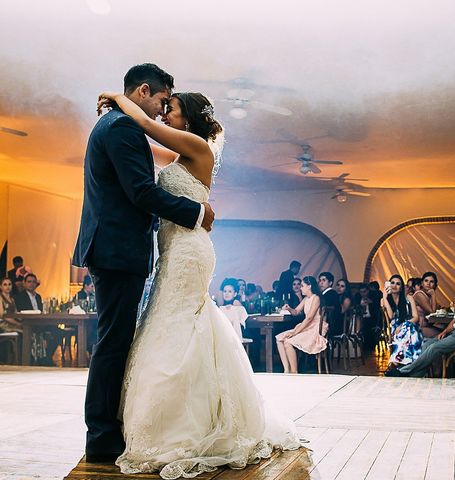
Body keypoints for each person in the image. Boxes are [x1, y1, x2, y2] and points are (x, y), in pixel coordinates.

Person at [84, 64, 298, 477]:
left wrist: (118, 98)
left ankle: (175, 423)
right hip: (167, 249)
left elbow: (145, 124)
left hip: (186, 251)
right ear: (146, 89)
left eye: (173, 108)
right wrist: (198, 210)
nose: (165, 113)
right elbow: (145, 171)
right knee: (163, 329)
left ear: (190, 119)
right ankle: (138, 426)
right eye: (164, 102)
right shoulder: (177, 149)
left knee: (176, 326)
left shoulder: (195, 147)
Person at [386, 267, 455, 378]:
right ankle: (414, 376)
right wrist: (445, 331)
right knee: (427, 344)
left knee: (435, 348)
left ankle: (403, 371)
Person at [275, 276, 328, 373]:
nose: (300, 288)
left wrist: (295, 332)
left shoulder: (316, 298)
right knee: (279, 339)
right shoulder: (305, 299)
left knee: (288, 341)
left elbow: (309, 318)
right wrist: (289, 308)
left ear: (309, 286)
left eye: (302, 286)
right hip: (306, 326)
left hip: (314, 328)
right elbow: (295, 312)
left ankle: (294, 372)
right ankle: (287, 369)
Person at [382, 275, 421, 368]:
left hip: (409, 325)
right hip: (394, 329)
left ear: (401, 288)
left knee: (407, 331)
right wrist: (384, 296)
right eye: (392, 283)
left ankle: (397, 362)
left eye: (398, 284)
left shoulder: (408, 298)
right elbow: (391, 316)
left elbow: (416, 317)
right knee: (402, 334)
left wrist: (404, 325)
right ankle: (405, 364)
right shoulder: (383, 300)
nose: (394, 285)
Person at [413, 272, 440, 338]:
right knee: (443, 334)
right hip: (418, 327)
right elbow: (432, 312)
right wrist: (433, 295)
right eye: (426, 281)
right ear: (422, 283)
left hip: (427, 325)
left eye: (431, 281)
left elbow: (436, 310)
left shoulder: (428, 295)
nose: (428, 283)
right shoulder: (419, 294)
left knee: (446, 328)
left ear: (435, 285)